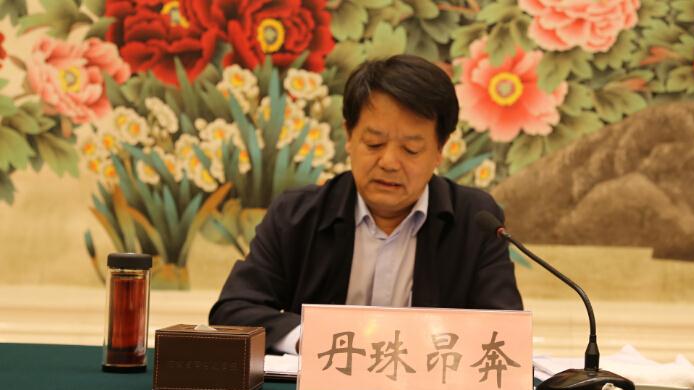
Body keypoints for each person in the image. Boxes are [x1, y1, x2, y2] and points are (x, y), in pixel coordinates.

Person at [209, 54, 522, 351]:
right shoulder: (296, 216)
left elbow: (504, 329)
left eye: (411, 149)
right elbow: (234, 310)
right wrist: (314, 341)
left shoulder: (476, 220)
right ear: (349, 135)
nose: (389, 162)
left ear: (440, 149)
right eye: (374, 143)